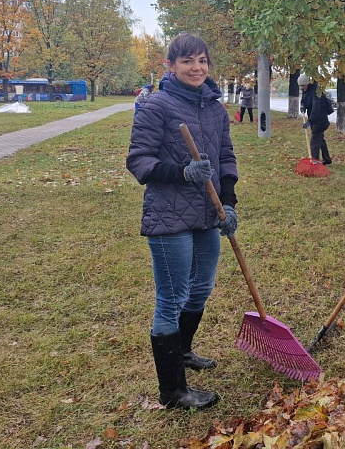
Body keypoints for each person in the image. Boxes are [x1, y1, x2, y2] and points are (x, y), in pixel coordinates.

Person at [126, 32, 239, 410]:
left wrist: (229, 201)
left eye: (203, 61)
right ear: (170, 66)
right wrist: (182, 172)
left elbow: (225, 157)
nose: (197, 68)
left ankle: (184, 350)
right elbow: (138, 161)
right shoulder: (156, 106)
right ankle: (173, 391)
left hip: (208, 213)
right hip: (169, 215)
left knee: (201, 287)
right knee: (171, 298)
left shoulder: (215, 109)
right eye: (188, 61)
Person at [298, 73, 332, 165]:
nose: (301, 88)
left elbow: (316, 109)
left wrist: (309, 121)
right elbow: (303, 100)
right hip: (314, 120)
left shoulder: (316, 92)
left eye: (303, 85)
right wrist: (302, 106)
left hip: (320, 120)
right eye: (300, 86)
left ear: (308, 83)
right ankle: (327, 159)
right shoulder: (306, 91)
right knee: (320, 139)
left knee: (314, 142)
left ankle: (315, 162)